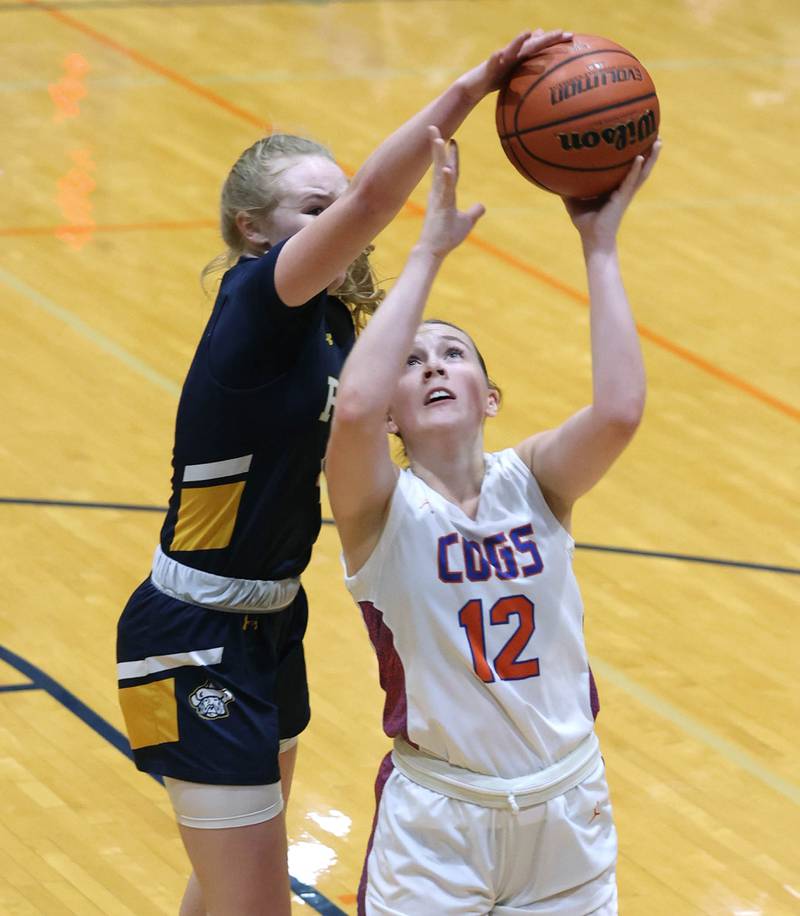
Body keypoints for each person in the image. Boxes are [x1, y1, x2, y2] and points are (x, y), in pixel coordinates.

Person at [115, 28, 573, 916]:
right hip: (192, 633)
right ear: (253, 232)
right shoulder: (256, 301)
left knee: (224, 893)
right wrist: (473, 87)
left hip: (273, 623)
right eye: (309, 211)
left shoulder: (334, 328)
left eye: (334, 205)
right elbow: (371, 200)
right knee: (257, 906)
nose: (336, 223)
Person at [325, 128, 661, 914]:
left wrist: (601, 247)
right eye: (413, 359)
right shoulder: (377, 507)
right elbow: (353, 411)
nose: (435, 364)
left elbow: (619, 411)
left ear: (490, 396)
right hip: (440, 819)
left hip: (566, 807)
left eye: (454, 355)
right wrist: (428, 252)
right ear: (395, 419)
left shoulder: (537, 482)